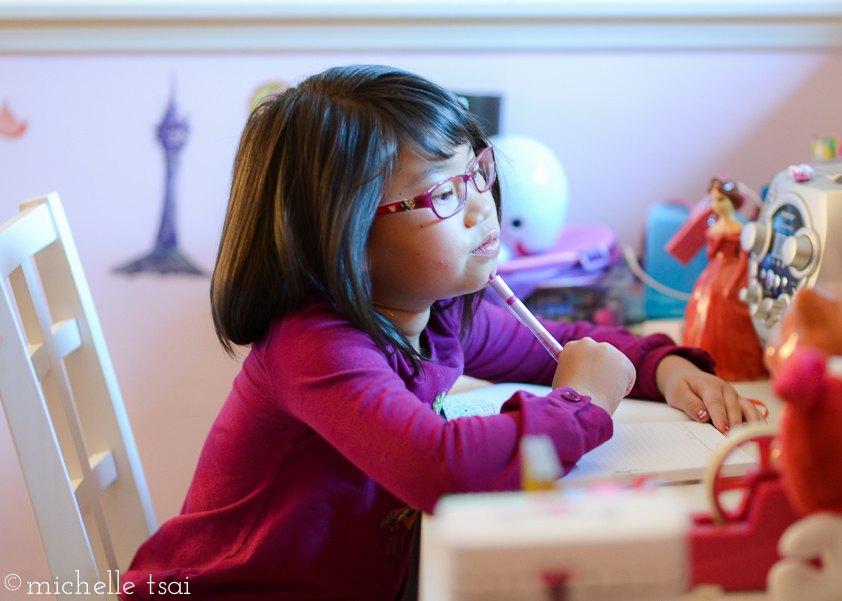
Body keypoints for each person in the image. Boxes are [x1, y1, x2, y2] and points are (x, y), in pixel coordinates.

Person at [121, 65, 763, 601]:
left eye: (476, 172)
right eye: (444, 194)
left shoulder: (435, 314)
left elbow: (559, 344)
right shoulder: (314, 346)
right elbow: (442, 470)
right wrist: (580, 404)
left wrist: (666, 369)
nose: (485, 205)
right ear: (348, 236)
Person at [682, 178, 769, 382]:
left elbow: (745, 258)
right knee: (702, 309)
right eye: (713, 200)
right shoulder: (716, 224)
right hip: (713, 272)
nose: (716, 205)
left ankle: (735, 366)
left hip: (732, 272)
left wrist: (736, 282)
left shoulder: (739, 227)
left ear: (732, 201)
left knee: (728, 313)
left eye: (721, 200)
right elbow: (711, 254)